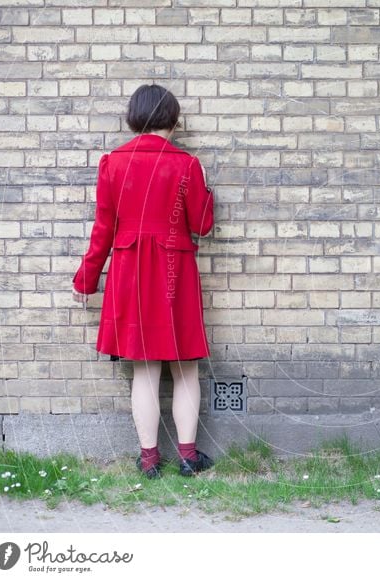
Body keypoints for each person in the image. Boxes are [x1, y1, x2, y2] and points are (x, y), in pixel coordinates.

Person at [71, 84, 215, 479]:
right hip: (175, 272)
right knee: (185, 368)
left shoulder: (113, 164)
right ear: (173, 118)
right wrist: (204, 186)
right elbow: (201, 225)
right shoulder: (186, 164)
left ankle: (149, 460)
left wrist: (86, 280)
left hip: (131, 271)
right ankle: (188, 457)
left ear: (134, 117)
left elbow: (103, 229)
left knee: (145, 370)